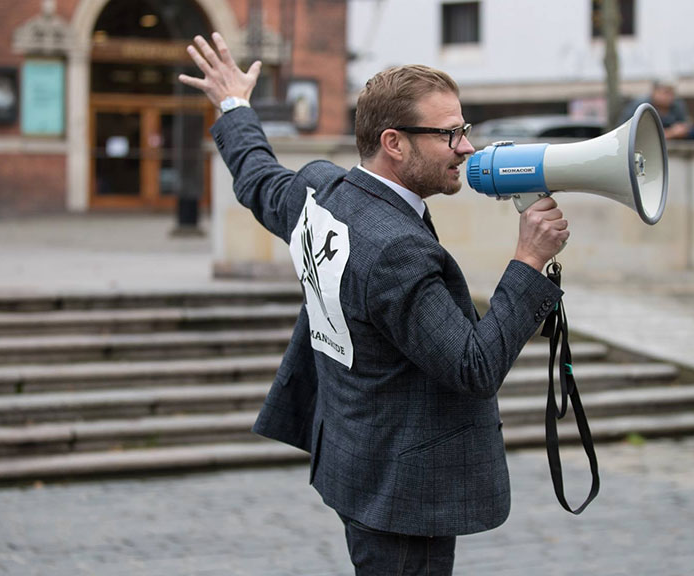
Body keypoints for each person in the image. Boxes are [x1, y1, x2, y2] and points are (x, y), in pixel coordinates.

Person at [180, 33, 568, 575]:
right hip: (405, 493)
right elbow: (474, 366)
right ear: (394, 142)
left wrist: (234, 104)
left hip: (354, 458)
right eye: (449, 134)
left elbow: (258, 180)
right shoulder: (397, 252)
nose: (467, 148)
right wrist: (528, 260)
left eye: (465, 130)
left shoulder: (320, 188)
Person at [620, 77, 694, 140]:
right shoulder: (641, 106)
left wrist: (682, 129)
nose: (669, 96)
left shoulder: (677, 105)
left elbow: (684, 126)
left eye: (672, 93)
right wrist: (671, 133)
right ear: (654, 92)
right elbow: (631, 133)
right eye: (665, 92)